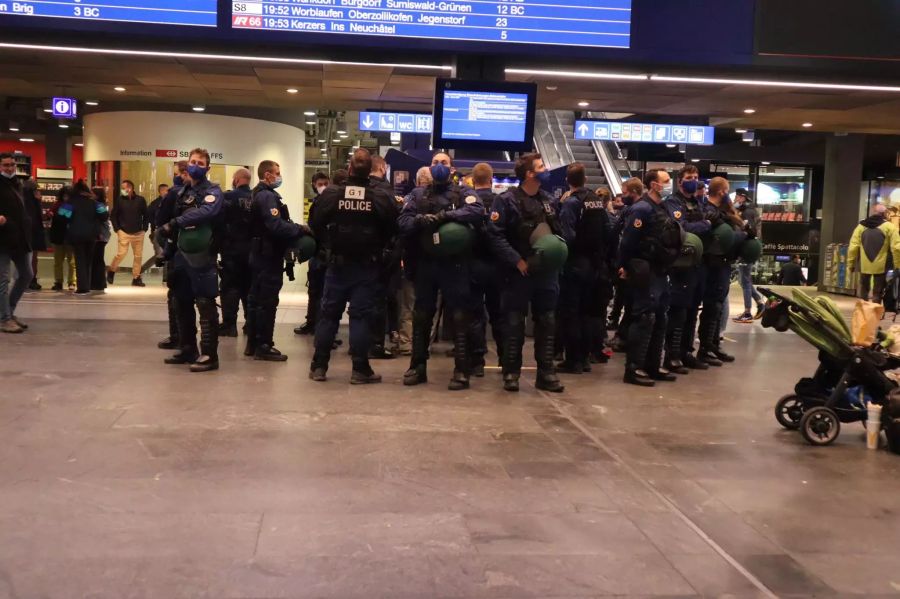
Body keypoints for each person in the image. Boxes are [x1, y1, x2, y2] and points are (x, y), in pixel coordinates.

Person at [308, 148, 399, 383]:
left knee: (328, 316)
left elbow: (315, 223)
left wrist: (328, 246)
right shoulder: (379, 197)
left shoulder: (331, 194)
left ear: (349, 167)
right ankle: (360, 369)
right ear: (370, 171)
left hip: (337, 266)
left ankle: (319, 366)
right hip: (366, 267)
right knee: (360, 317)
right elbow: (392, 228)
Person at [398, 151, 484, 391]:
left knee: (459, 316)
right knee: (422, 315)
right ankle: (417, 366)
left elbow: (477, 211)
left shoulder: (463, 193)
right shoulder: (417, 194)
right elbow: (402, 222)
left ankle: (461, 369)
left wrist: (446, 216)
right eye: (435, 163)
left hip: (456, 264)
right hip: (426, 263)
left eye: (444, 163)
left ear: (452, 168)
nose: (439, 166)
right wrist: (420, 221)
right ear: (429, 166)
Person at [490, 152, 565, 393]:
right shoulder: (505, 200)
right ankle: (511, 372)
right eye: (541, 166)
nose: (546, 169)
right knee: (514, 322)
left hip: (545, 272)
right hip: (517, 273)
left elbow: (559, 232)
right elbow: (495, 235)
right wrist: (517, 261)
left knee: (548, 320)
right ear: (530, 173)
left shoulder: (548, 201)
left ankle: (546, 373)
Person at [157, 148, 224, 372]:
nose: (196, 165)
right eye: (193, 161)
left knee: (205, 304)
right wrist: (166, 250)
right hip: (180, 255)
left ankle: (209, 354)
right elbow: (171, 227)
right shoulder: (182, 193)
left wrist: (176, 222)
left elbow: (207, 212)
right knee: (180, 302)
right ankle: (187, 348)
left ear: (208, 167)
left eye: (200, 162)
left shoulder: (213, 191)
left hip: (202, 254)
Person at [618, 168, 683, 386]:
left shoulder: (662, 207)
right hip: (645, 269)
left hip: (661, 269)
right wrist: (625, 266)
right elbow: (627, 242)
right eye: (664, 181)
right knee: (644, 317)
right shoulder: (642, 209)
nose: (667, 184)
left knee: (660, 318)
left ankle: (652, 365)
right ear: (653, 184)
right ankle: (633, 368)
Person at [244, 160, 309, 361]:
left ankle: (253, 343)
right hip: (267, 256)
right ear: (268, 175)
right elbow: (276, 226)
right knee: (267, 301)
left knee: (256, 299)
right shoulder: (266, 197)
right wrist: (300, 229)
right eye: (277, 173)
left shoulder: (258, 194)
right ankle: (264, 344)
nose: (279, 177)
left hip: (259, 254)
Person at [556, 164, 615, 374]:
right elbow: (609, 232)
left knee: (570, 313)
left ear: (567, 180)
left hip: (575, 264)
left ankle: (573, 360)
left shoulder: (571, 203)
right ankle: (586, 357)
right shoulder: (596, 201)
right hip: (595, 265)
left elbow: (567, 236)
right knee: (588, 313)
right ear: (586, 179)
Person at [663, 165, 710, 373]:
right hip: (680, 264)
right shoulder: (673, 202)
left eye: (696, 177)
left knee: (692, 310)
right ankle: (672, 355)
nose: (693, 180)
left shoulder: (698, 202)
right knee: (678, 310)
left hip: (698, 263)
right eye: (689, 177)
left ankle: (686, 351)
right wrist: (705, 224)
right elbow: (680, 228)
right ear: (680, 181)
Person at [696, 177, 743, 366]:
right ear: (722, 191)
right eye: (727, 190)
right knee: (711, 307)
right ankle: (705, 348)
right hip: (710, 264)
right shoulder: (707, 210)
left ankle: (713, 345)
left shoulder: (723, 211)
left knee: (718, 306)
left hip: (723, 264)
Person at [469, 162, 504, 374]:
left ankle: (476, 362)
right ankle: (504, 358)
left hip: (473, 264)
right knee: (499, 314)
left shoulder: (468, 201)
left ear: (473, 181)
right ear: (491, 180)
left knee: (475, 314)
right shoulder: (502, 202)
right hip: (498, 266)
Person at [394, 166, 431, 356]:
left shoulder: (410, 199)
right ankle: (425, 343)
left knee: (409, 305)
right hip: (434, 261)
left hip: (411, 259)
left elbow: (402, 226)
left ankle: (406, 342)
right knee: (429, 306)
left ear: (417, 181)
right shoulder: (441, 201)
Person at [155, 162, 189, 350]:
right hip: (198, 253)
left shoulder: (174, 194)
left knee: (176, 295)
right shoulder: (208, 193)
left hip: (176, 250)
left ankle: (178, 337)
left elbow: (161, 223)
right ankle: (188, 341)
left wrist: (166, 249)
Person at [0, 152, 35, 333]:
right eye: (6, 165)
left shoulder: (17, 184)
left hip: (20, 239)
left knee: (27, 275)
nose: (10, 168)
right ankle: (4, 319)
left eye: (12, 164)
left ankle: (8, 312)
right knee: (3, 280)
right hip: (3, 240)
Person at [368, 155, 398, 359]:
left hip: (355, 254)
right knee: (378, 301)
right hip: (380, 254)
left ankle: (357, 344)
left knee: (359, 302)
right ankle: (376, 345)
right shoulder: (386, 191)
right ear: (382, 167)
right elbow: (394, 223)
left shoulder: (353, 189)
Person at [608, 177, 645, 343]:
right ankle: (622, 333)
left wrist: (623, 264)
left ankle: (624, 336)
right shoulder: (629, 209)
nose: (622, 197)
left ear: (634, 192)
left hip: (633, 263)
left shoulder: (638, 210)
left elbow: (629, 240)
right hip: (628, 261)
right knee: (623, 298)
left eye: (625, 193)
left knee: (630, 302)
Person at [219, 168, 253, 337]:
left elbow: (220, 222)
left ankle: (229, 325)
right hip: (252, 252)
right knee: (249, 288)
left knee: (230, 288)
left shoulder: (228, 197)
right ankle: (250, 324)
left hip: (232, 251)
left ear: (237, 179)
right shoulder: (256, 198)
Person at [295, 171, 330, 336]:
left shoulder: (331, 202)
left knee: (324, 293)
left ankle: (322, 328)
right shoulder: (316, 202)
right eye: (320, 184)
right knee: (314, 290)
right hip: (317, 254)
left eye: (325, 183)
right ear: (314, 186)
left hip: (326, 253)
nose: (323, 186)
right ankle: (311, 322)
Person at [60, 180, 109, 296]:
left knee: (79, 259)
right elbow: (104, 215)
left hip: (75, 234)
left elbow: (62, 216)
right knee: (88, 260)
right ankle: (87, 284)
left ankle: (82, 287)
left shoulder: (70, 202)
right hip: (91, 235)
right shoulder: (94, 202)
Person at [847, 203, 900, 304]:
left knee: (864, 290)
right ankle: (875, 313)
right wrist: (897, 265)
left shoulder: (861, 227)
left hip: (864, 265)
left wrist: (851, 264)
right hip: (881, 266)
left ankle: (863, 312)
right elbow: (897, 248)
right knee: (878, 292)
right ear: (884, 213)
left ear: (872, 213)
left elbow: (853, 247)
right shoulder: (890, 227)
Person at [106, 179, 149, 287]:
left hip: (138, 232)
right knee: (121, 254)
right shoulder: (120, 200)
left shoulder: (140, 200)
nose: (123, 190)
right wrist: (117, 229)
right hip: (124, 232)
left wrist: (144, 228)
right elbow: (114, 215)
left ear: (130, 188)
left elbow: (146, 215)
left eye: (124, 188)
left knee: (138, 256)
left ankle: (136, 277)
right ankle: (111, 270)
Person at [733, 189, 765, 322]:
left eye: (736, 197)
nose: (735, 199)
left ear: (742, 197)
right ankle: (760, 302)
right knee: (743, 280)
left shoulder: (747, 212)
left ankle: (747, 312)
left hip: (747, 249)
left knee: (745, 281)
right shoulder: (750, 211)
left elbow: (749, 232)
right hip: (747, 249)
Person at [49, 185, 77, 292]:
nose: (66, 198)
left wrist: (54, 215)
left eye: (68, 196)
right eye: (65, 195)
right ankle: (59, 281)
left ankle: (71, 282)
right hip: (61, 236)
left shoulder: (59, 205)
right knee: (60, 261)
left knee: (71, 262)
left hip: (64, 236)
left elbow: (58, 217)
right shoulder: (59, 205)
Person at [22, 180, 46, 291]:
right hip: (31, 234)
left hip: (28, 234)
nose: (39, 193)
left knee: (30, 258)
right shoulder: (32, 204)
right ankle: (30, 280)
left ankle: (29, 279)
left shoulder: (24, 201)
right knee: (31, 259)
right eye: (37, 190)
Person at [90, 187, 112, 293]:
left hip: (99, 236)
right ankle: (98, 283)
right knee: (98, 259)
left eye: (92, 193)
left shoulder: (98, 205)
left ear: (97, 195)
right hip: (101, 236)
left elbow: (104, 217)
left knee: (97, 260)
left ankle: (98, 283)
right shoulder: (100, 205)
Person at [146, 183, 168, 271]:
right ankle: (140, 271)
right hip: (157, 232)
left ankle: (166, 278)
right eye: (166, 190)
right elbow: (150, 218)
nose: (168, 192)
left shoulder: (168, 202)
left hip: (166, 232)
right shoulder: (155, 204)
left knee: (163, 254)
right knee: (161, 254)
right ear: (161, 191)